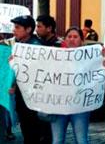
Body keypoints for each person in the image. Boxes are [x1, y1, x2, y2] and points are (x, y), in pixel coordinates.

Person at [7, 15, 51, 144]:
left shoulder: (36, 46)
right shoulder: (19, 45)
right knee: (26, 130)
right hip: (22, 97)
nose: (14, 30)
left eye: (17, 27)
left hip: (34, 98)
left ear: (28, 29)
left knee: (33, 131)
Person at [50, 27, 92, 144]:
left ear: (82, 40)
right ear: (64, 39)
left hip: (80, 107)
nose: (72, 39)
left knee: (81, 140)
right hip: (58, 105)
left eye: (75, 37)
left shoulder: (90, 57)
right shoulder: (54, 56)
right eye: (69, 37)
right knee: (57, 140)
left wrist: (104, 60)